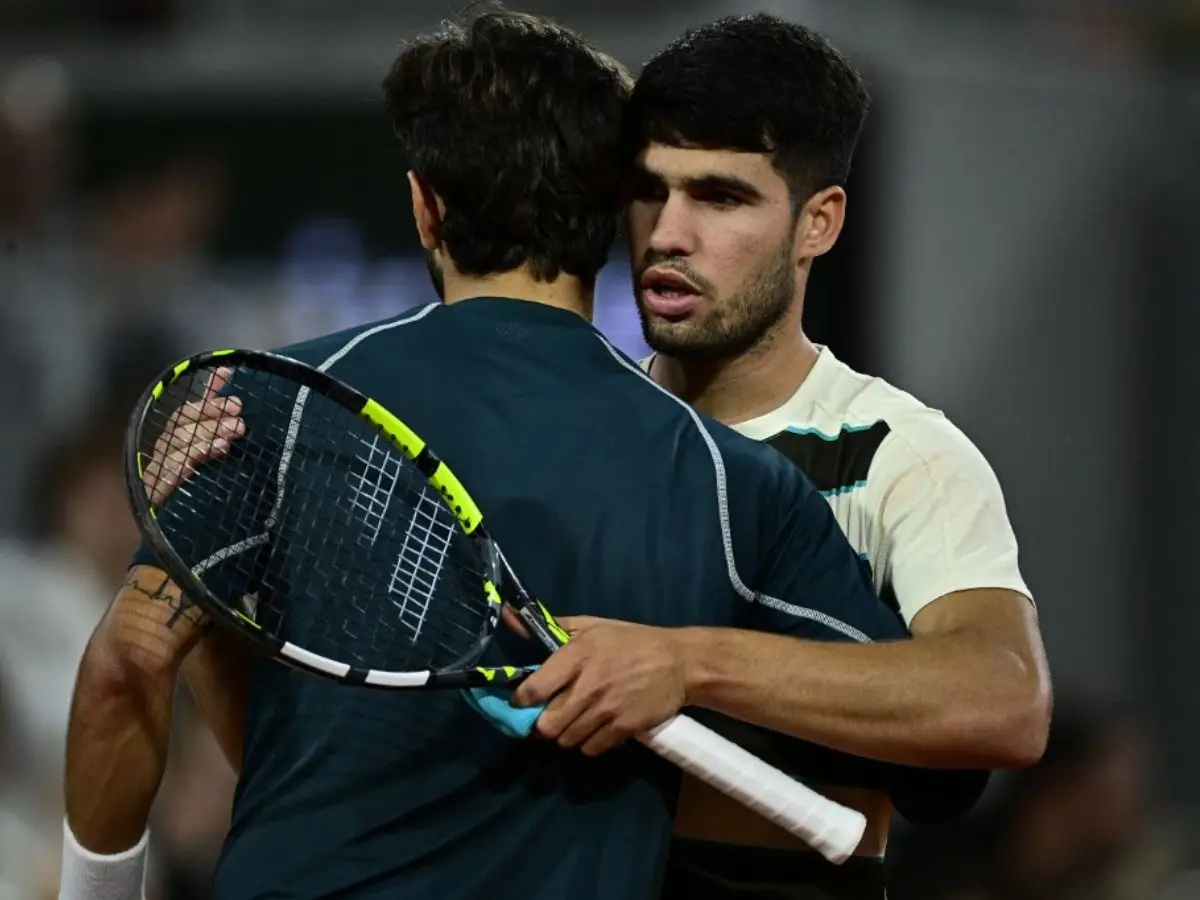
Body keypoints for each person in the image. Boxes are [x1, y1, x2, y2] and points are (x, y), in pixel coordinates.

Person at [59, 10, 907, 900]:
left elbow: (128, 664)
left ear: (426, 205)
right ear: (620, 207)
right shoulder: (732, 481)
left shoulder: (267, 412)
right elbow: (926, 730)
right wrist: (699, 664)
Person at [546, 12, 1047, 899]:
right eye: (648, 191)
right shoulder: (571, 433)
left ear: (818, 223)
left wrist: (686, 665)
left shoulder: (899, 453)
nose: (667, 233)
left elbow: (1002, 702)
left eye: (720, 197)